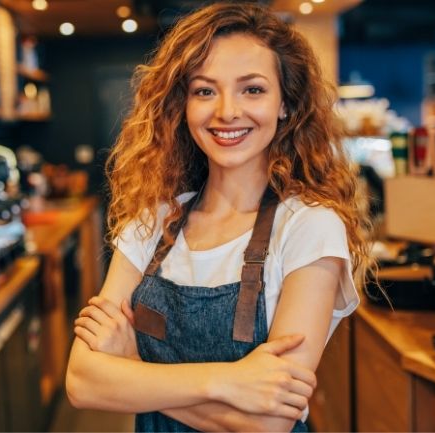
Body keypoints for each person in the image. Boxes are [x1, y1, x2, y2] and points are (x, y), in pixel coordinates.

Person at [66, 2, 372, 432]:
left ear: (286, 103)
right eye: (205, 90)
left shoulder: (309, 227)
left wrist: (132, 367)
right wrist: (229, 382)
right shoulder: (154, 220)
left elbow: (269, 423)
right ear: (183, 105)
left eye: (252, 89)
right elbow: (82, 382)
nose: (227, 111)